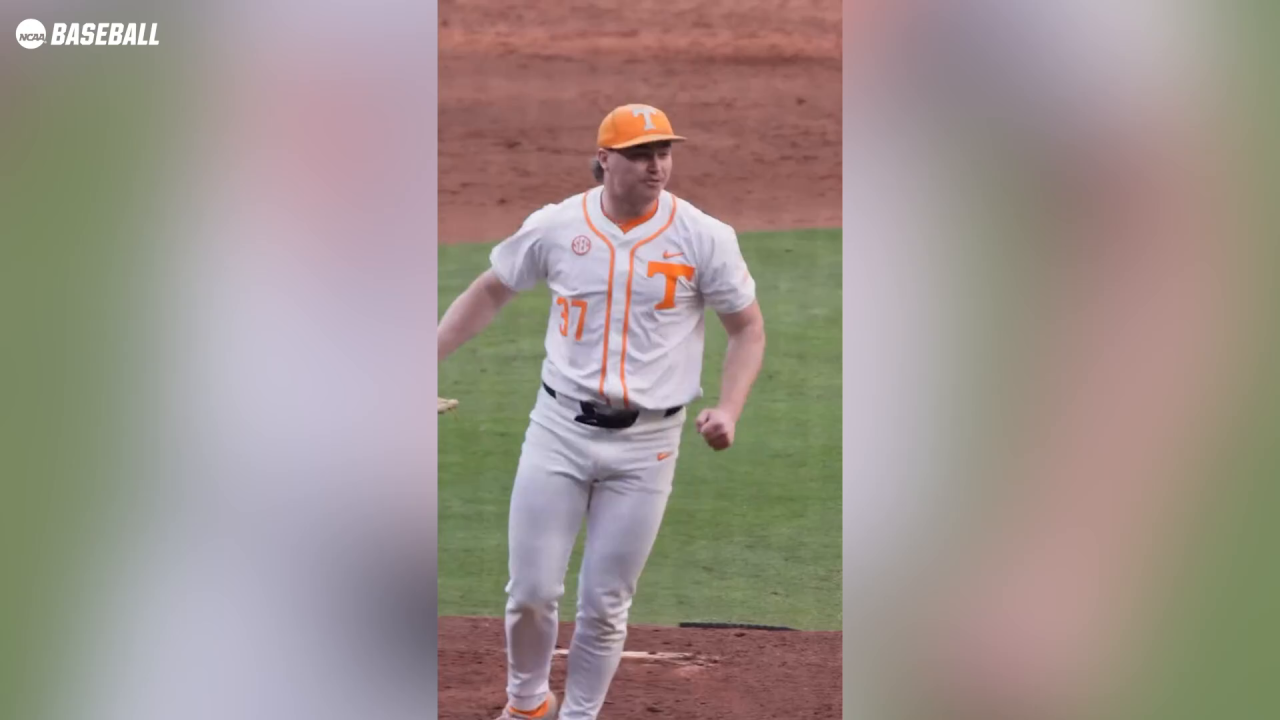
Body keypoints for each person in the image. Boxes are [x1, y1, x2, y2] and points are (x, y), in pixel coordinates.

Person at [437, 103, 767, 720]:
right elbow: (491, 289)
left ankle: (580, 715)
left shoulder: (704, 236)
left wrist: (730, 408)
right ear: (604, 159)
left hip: (649, 445)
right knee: (531, 592)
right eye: (640, 154)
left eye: (663, 153)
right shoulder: (558, 226)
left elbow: (747, 328)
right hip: (558, 429)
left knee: (606, 603)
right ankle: (528, 703)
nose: (656, 166)